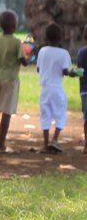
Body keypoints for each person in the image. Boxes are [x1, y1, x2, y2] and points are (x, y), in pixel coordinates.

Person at [36, 23, 77, 154]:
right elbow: (65, 71)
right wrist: (73, 73)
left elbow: (38, 69)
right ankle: (55, 140)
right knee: (60, 114)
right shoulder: (64, 53)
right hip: (57, 88)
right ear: (61, 38)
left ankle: (45, 143)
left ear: (46, 37)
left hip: (45, 89)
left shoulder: (42, 51)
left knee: (45, 115)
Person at [0, 10, 27, 153]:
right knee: (7, 112)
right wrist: (29, 54)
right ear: (14, 26)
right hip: (10, 79)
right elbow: (24, 62)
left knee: (4, 109)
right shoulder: (17, 42)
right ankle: (1, 144)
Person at [77, 41, 87, 155]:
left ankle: (86, 145)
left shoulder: (82, 52)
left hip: (85, 90)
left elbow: (80, 72)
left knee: (86, 118)